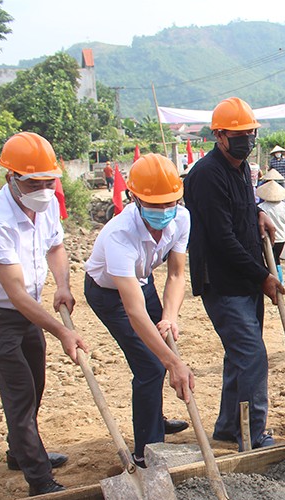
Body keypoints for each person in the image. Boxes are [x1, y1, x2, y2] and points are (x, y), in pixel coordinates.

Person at [0, 132, 86, 496]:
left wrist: (62, 284)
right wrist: (62, 332)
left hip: (28, 309)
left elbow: (56, 246)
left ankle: (19, 451)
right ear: (11, 179)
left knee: (35, 384)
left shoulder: (45, 204)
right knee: (18, 392)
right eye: (34, 183)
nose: (44, 189)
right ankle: (39, 479)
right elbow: (14, 293)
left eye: (49, 181)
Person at [83, 154, 195, 467]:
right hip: (110, 294)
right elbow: (133, 311)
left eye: (169, 203)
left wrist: (169, 317)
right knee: (151, 365)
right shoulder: (120, 234)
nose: (163, 211)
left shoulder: (182, 219)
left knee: (162, 342)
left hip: (141, 282)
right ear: (134, 198)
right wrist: (174, 362)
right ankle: (147, 451)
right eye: (154, 204)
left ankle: (154, 417)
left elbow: (175, 275)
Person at [184, 97, 283, 450]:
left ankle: (228, 428)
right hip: (223, 282)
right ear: (219, 135)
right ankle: (253, 434)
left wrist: (257, 212)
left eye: (251, 133)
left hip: (245, 279)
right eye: (239, 134)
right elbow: (221, 238)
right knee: (253, 356)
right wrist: (262, 276)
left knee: (238, 357)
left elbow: (242, 205)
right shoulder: (206, 176)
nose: (247, 139)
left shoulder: (241, 167)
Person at [256, 179, 285, 283]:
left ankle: (275, 281)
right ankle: (280, 281)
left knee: (269, 260)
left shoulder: (261, 208)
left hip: (267, 238)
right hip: (281, 238)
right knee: (276, 260)